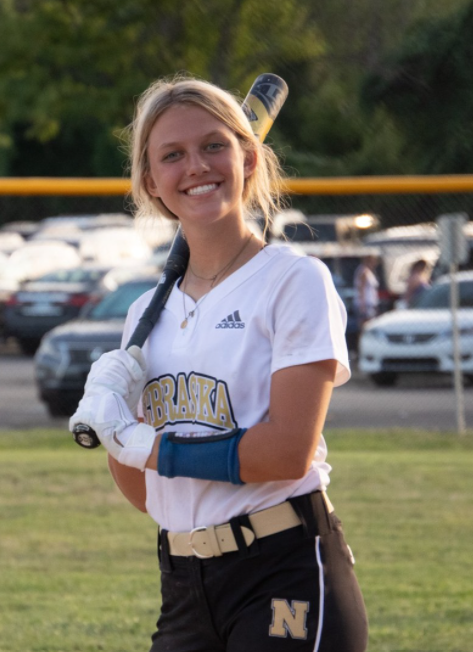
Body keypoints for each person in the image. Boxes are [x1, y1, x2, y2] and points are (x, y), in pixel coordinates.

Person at [69, 75, 368, 651]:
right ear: (151, 182)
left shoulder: (293, 281)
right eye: (172, 156)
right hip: (183, 578)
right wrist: (110, 420)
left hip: (283, 566)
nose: (197, 167)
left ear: (247, 157)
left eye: (213, 146)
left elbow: (286, 451)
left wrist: (149, 445)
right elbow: (146, 490)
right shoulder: (142, 317)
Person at [354, 254, 380, 324]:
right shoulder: (363, 272)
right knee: (365, 325)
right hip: (365, 304)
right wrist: (362, 306)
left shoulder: (368, 271)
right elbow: (361, 288)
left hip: (370, 303)